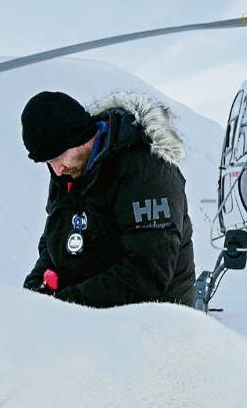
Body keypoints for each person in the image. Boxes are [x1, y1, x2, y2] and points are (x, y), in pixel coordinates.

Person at [20, 90, 195, 308]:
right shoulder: (68, 173)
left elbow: (149, 272)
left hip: (153, 326)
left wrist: (67, 305)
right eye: (47, 162)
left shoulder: (145, 171)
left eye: (58, 157)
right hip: (90, 320)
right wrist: (38, 283)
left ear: (79, 137)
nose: (56, 169)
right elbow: (55, 241)